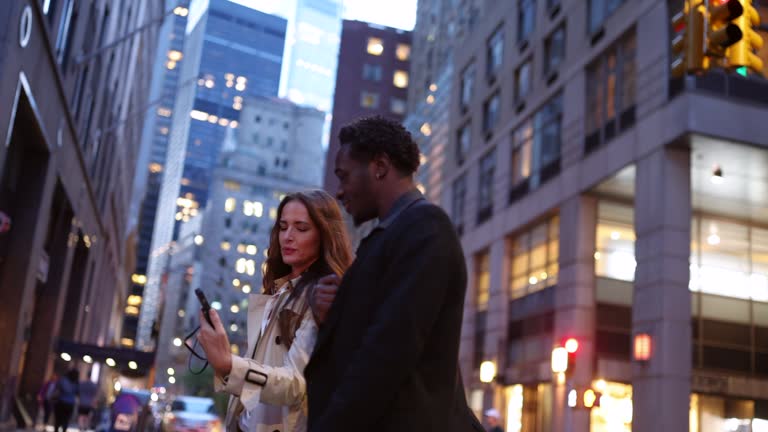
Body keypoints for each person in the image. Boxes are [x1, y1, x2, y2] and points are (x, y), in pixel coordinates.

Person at [304, 116, 484, 431]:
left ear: (380, 167)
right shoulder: (392, 235)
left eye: (344, 176)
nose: (340, 192)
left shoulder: (426, 229)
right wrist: (334, 315)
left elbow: (387, 354)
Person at [197, 190, 353, 432]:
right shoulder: (278, 292)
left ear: (323, 235)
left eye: (301, 228)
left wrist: (229, 364)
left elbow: (295, 384)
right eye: (283, 227)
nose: (288, 237)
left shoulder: (323, 296)